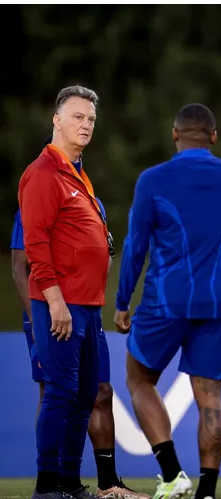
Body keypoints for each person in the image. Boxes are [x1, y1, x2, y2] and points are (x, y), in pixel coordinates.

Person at [113, 103, 221, 499]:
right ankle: (207, 491)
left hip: (165, 301)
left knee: (138, 379)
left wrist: (123, 300)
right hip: (216, 303)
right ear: (214, 137)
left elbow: (135, 245)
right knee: (210, 396)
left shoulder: (153, 179)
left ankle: (172, 474)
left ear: (175, 135)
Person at [11, 159, 148, 499]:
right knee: (56, 393)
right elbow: (19, 267)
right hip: (51, 312)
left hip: (87, 312)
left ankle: (102, 483)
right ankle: (51, 483)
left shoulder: (92, 202)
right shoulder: (39, 194)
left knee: (98, 391)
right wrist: (38, 325)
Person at [19, 85, 112, 499]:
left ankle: (71, 483)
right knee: (60, 392)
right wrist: (54, 299)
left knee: (84, 395)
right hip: (61, 301)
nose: (86, 124)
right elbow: (34, 244)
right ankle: (46, 485)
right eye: (78, 116)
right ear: (57, 120)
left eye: (91, 118)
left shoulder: (76, 174)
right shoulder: (42, 173)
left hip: (88, 304)